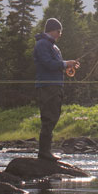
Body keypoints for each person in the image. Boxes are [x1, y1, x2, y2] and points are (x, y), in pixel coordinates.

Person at [33, 17, 80, 161]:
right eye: (59, 31)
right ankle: (44, 152)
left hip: (56, 87)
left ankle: (46, 151)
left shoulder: (54, 47)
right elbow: (48, 63)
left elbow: (56, 65)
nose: (60, 34)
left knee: (53, 117)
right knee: (48, 118)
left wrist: (67, 67)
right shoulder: (42, 44)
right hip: (47, 87)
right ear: (52, 30)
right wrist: (66, 64)